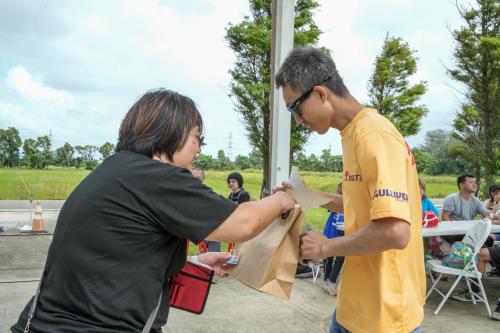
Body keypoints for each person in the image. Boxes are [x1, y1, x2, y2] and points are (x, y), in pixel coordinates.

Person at [11, 89, 295, 333]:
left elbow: (119, 255)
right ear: (171, 131)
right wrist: (282, 199)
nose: (199, 149)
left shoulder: (117, 170)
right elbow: (244, 222)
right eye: (197, 137)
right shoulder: (157, 177)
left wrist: (194, 261)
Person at [274, 47, 425, 333]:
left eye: (295, 108)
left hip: (385, 315)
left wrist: (325, 247)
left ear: (320, 93)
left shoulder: (374, 135)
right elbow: (364, 206)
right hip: (354, 307)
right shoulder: (351, 133)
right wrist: (308, 196)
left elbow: (395, 231)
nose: (298, 119)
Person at [441, 175, 492, 246]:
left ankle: (480, 256)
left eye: (475, 182)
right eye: (471, 182)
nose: (474, 184)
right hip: (453, 233)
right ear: (461, 185)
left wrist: (490, 218)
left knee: (489, 239)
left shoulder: (476, 201)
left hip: (469, 232)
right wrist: (454, 231)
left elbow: (487, 215)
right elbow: (445, 217)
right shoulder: (452, 199)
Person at [192, 167, 221, 253]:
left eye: (198, 178)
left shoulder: (209, 193)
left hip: (208, 229)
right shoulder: (184, 192)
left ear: (203, 179)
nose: (196, 180)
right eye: (193, 177)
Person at [322, 183, 344, 296]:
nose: (338, 195)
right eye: (337, 192)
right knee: (328, 257)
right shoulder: (336, 205)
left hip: (343, 235)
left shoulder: (350, 204)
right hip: (331, 232)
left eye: (341, 193)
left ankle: (332, 280)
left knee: (340, 258)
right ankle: (326, 279)